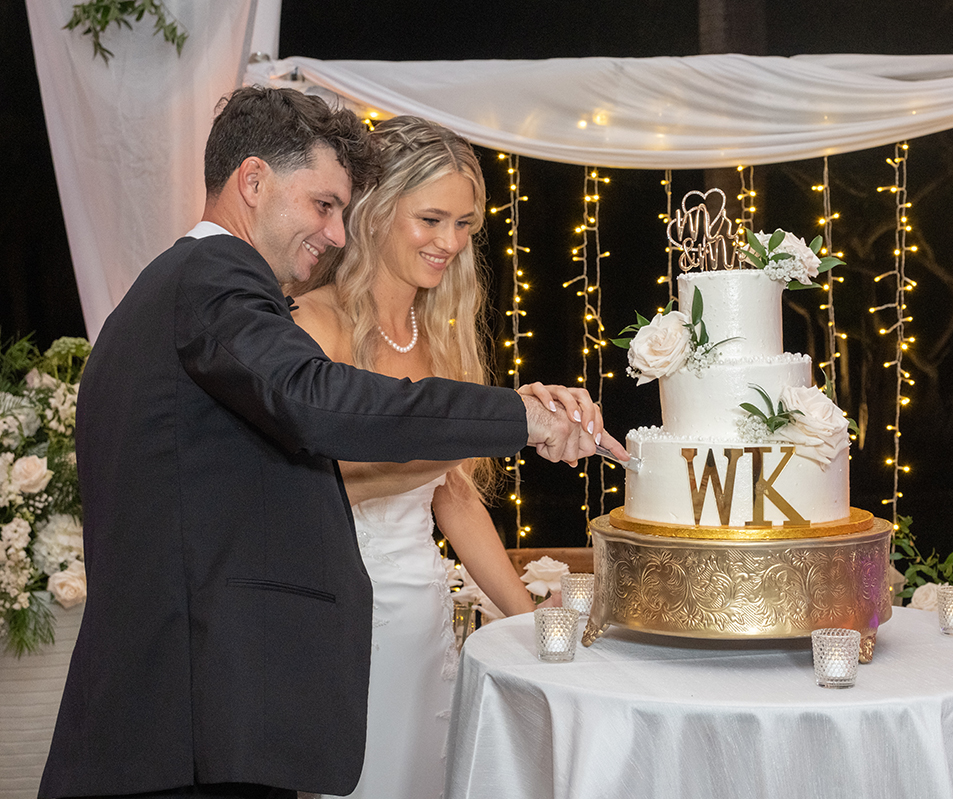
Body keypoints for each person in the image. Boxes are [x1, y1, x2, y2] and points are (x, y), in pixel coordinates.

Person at [38, 87, 625, 799]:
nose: (338, 235)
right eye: (322, 205)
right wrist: (520, 417)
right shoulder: (213, 276)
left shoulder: (170, 288)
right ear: (253, 182)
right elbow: (319, 400)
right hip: (190, 716)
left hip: (178, 709)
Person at [288, 115, 592, 798]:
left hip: (425, 617)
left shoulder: (439, 335)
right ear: (373, 211)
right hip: (346, 617)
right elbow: (327, 485)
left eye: (464, 225)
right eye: (431, 219)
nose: (450, 242)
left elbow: (454, 495)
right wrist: (495, 427)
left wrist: (531, 624)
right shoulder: (314, 322)